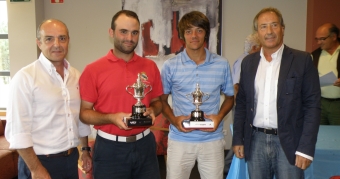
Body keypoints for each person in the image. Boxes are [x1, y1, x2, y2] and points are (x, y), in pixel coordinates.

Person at [232, 7, 321, 179]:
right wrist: (238, 139)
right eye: (263, 26)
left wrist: (306, 148)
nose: (269, 31)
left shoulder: (302, 60)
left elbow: (312, 106)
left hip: (289, 141)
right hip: (255, 141)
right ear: (257, 32)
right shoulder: (248, 63)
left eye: (274, 25)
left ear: (282, 28)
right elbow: (242, 103)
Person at [79, 10, 163, 179]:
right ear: (111, 32)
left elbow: (158, 101)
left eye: (134, 32)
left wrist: (153, 110)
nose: (129, 38)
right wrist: (111, 118)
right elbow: (84, 113)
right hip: (110, 149)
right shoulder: (93, 70)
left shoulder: (150, 67)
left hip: (145, 145)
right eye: (123, 32)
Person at [5, 19, 92, 179]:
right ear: (39, 43)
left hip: (70, 159)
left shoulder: (75, 76)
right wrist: (36, 169)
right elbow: (18, 131)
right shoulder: (25, 78)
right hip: (39, 162)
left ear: (68, 41)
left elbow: (79, 119)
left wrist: (85, 150)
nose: (57, 44)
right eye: (49, 39)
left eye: (62, 38)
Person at [161, 11, 234, 179]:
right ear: (182, 36)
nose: (194, 36)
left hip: (212, 141)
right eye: (188, 31)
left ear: (206, 34)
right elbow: (162, 101)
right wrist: (174, 120)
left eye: (199, 30)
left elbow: (230, 98)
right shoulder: (170, 66)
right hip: (180, 141)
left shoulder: (222, 64)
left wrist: (219, 117)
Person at [224, 33, 261, 175]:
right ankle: (229, 168)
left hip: (246, 107)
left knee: (240, 138)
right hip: (244, 107)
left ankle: (229, 167)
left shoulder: (245, 59)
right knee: (240, 138)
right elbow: (237, 87)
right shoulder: (245, 61)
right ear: (254, 47)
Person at [312, 23, 340, 125]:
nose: (319, 42)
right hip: (320, 103)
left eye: (322, 39)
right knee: (319, 133)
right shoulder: (314, 55)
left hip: (338, 104)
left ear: (334, 37)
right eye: (317, 39)